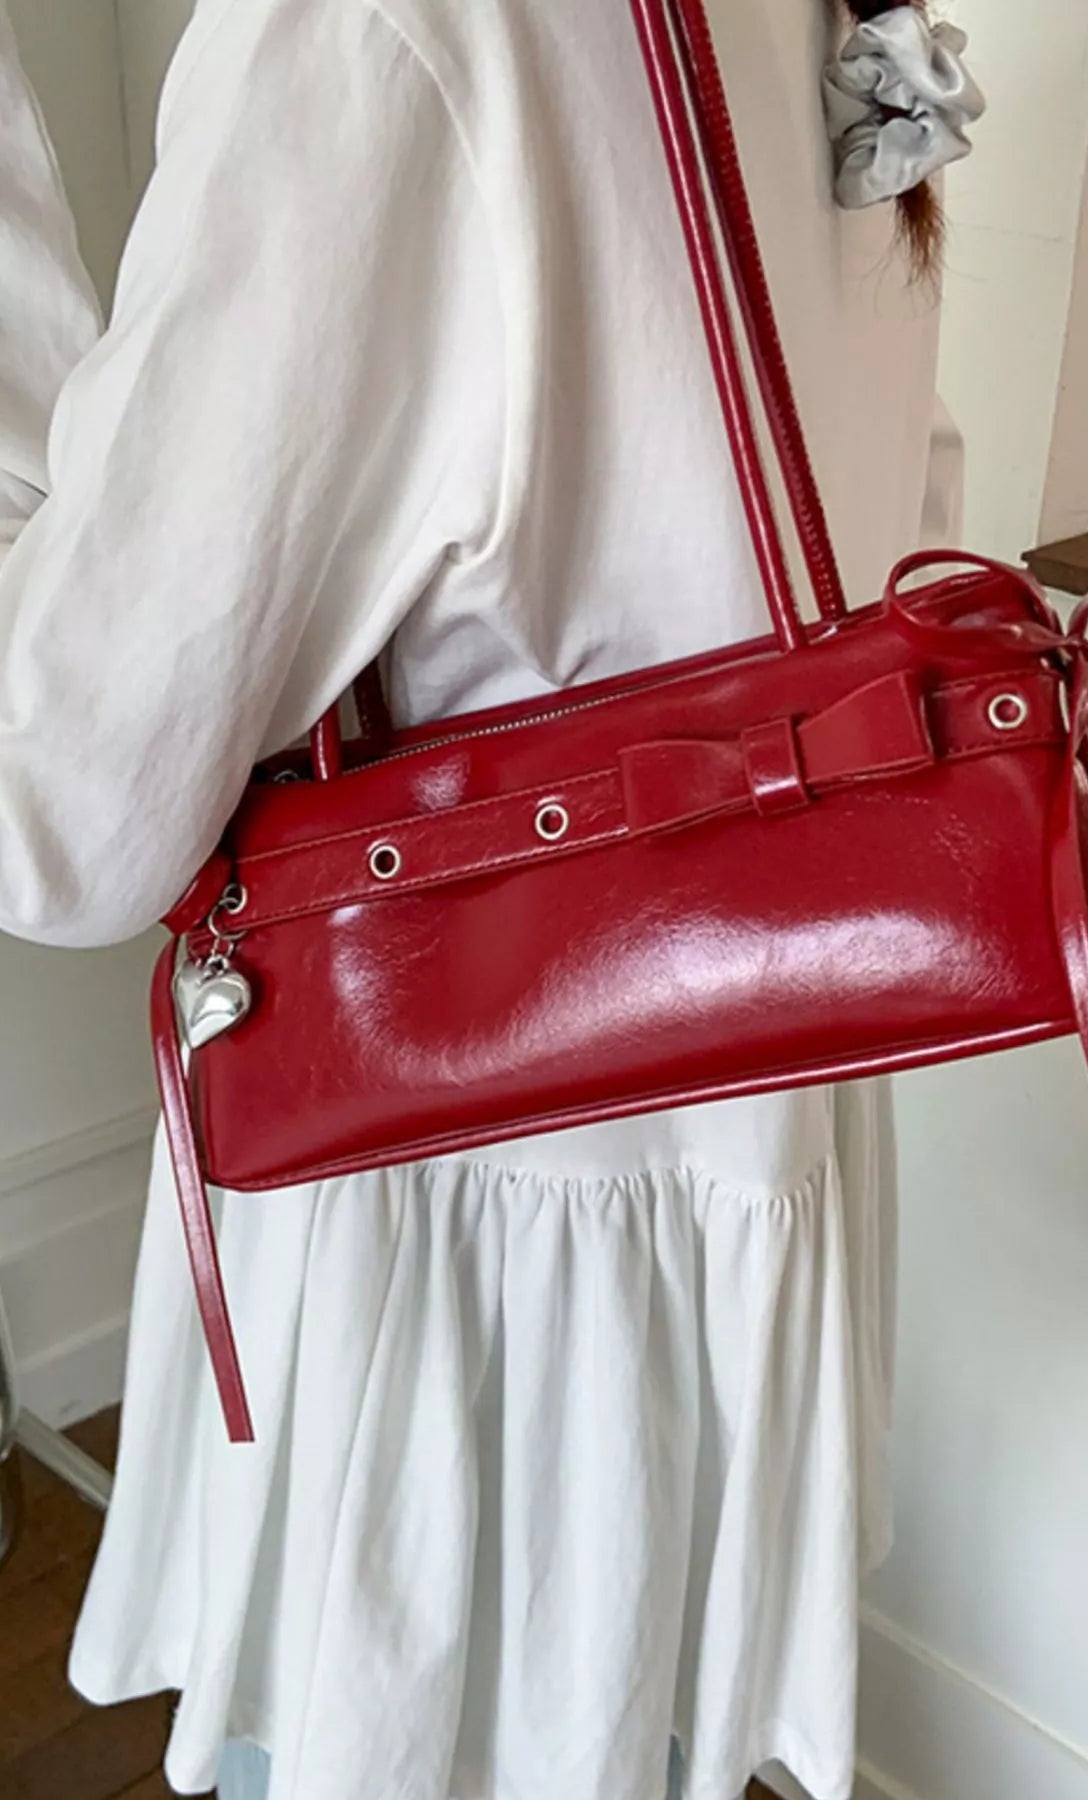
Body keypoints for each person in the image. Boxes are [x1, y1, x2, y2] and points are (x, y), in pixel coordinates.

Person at [0, 1, 979, 1795]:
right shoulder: (827, 22)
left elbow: (57, 813)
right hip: (740, 1143)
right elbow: (896, 531)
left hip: (455, 1222)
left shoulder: (380, 32)